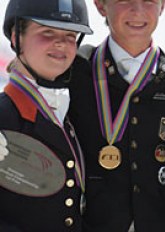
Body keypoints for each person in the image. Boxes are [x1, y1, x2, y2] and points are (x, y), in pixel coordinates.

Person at [68, 0, 165, 231]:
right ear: (100, 5)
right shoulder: (74, 69)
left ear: (162, 6)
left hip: (163, 223)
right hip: (91, 223)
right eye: (124, 0)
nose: (137, 10)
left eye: (149, 1)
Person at [0, 0, 92, 231]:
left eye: (70, 35)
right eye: (47, 31)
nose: (61, 43)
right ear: (15, 37)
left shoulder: (71, 113)